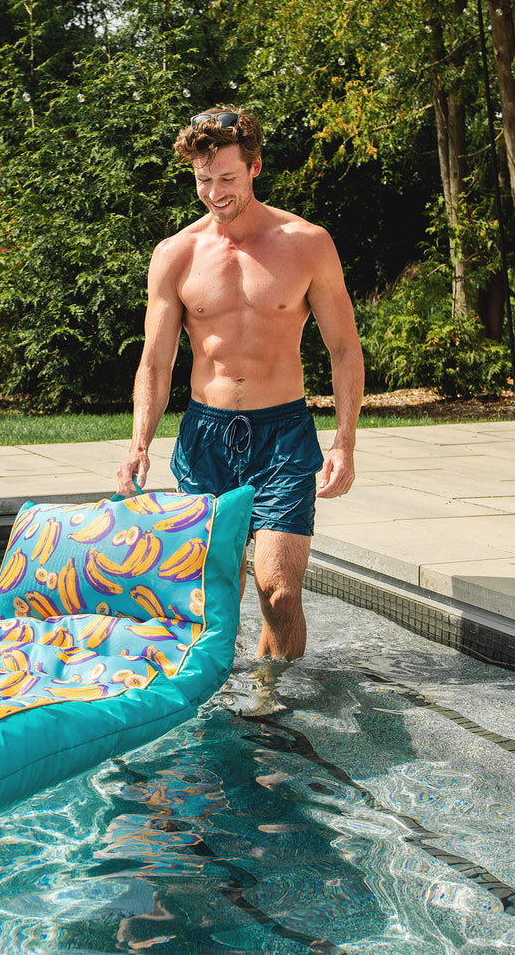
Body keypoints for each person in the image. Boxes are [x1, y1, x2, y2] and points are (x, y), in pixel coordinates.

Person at [116, 107, 364, 661]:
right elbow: (155, 362)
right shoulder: (176, 254)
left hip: (283, 436)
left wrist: (344, 440)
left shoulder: (307, 244)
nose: (214, 193)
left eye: (227, 178)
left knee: (279, 592)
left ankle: (275, 709)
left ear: (255, 167)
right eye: (203, 180)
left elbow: (344, 348)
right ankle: (216, 707)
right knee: (209, 595)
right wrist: (139, 446)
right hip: (206, 437)